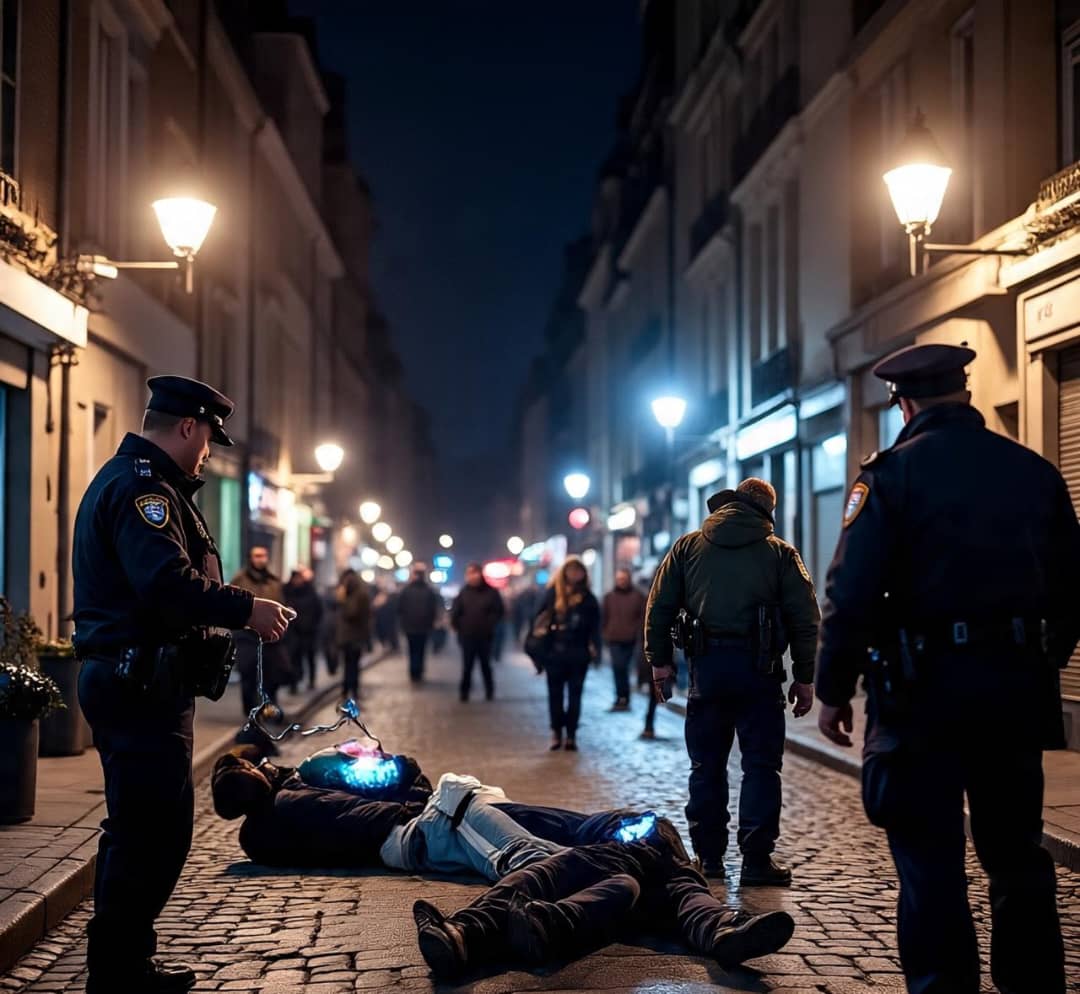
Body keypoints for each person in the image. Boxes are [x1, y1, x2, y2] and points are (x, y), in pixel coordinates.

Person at [815, 343, 1080, 994]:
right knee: (1017, 856)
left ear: (902, 404)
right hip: (1013, 700)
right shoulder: (1034, 472)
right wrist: (1042, 662)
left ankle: (944, 988)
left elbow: (849, 595)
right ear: (964, 393)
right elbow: (1073, 589)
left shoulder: (889, 477)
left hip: (919, 701)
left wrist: (833, 690)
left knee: (930, 863)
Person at [72, 375, 292, 994]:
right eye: (207, 440)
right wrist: (248, 608)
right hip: (139, 683)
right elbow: (165, 583)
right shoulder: (146, 491)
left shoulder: (141, 482)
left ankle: (124, 963)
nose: (208, 453)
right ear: (187, 426)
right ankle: (117, 972)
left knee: (142, 830)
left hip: (139, 680)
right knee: (151, 833)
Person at [645, 478, 820, 885]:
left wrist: (659, 663)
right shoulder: (779, 553)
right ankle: (757, 861)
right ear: (767, 511)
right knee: (761, 768)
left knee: (706, 767)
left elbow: (659, 607)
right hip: (761, 673)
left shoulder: (688, 546)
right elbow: (805, 619)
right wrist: (805, 677)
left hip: (706, 670)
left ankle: (708, 859)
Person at [412, 832, 796, 980]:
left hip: (645, 868)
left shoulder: (665, 857)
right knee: (618, 884)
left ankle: (725, 929)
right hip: (624, 871)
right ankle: (465, 934)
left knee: (682, 891)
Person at [532, 556, 600, 752]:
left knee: (575, 696)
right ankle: (556, 731)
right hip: (555, 653)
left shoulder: (588, 598)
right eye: (571, 571)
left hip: (578, 654)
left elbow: (595, 628)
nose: (574, 575)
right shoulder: (552, 595)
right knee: (555, 695)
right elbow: (538, 621)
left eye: (578, 571)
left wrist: (596, 650)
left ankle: (571, 734)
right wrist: (540, 653)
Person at [231, 547, 290, 711]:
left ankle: (269, 708)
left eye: (263, 555)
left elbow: (281, 604)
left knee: (272, 675)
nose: (260, 559)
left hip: (270, 637)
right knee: (248, 674)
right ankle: (250, 712)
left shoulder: (273, 581)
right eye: (256, 556)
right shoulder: (240, 579)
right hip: (246, 636)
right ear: (251, 558)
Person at [450, 562, 505, 701]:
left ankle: (489, 691)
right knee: (467, 666)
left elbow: (499, 611)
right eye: (470, 573)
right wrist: (458, 626)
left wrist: (489, 624)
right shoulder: (463, 592)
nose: (473, 577)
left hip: (485, 636)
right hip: (467, 635)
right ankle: (464, 692)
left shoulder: (491, 592)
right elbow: (456, 612)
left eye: (475, 573)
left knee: (485, 665)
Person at [602, 567, 646, 712]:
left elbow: (642, 618)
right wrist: (605, 633)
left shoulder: (638, 597)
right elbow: (604, 617)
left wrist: (637, 633)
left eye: (624, 579)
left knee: (623, 667)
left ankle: (624, 697)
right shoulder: (609, 597)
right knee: (617, 668)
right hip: (614, 638)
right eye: (619, 579)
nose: (622, 582)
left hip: (630, 639)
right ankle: (621, 697)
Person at [398, 564, 441, 682]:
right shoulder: (429, 590)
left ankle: (413, 671)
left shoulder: (406, 590)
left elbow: (400, 608)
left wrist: (403, 622)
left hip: (410, 626)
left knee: (412, 650)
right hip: (423, 627)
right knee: (420, 650)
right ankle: (418, 671)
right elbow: (433, 610)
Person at [283, 566, 323, 692]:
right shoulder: (286, 591)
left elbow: (318, 610)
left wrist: (313, 625)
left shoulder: (310, 591)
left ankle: (311, 681)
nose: (297, 580)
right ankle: (293, 684)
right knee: (294, 658)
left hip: (309, 632)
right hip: (294, 632)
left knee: (310, 657)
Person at [335, 569, 371, 701]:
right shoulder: (361, 593)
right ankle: (349, 690)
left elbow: (352, 613)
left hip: (354, 635)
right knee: (351, 664)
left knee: (351, 664)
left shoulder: (356, 595)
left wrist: (342, 600)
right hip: (349, 636)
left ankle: (351, 690)